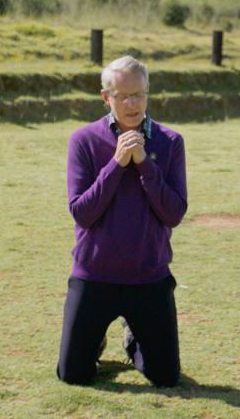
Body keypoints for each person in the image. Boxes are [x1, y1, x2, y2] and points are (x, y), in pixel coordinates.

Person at [56, 55, 188, 387]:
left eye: (139, 94)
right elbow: (82, 213)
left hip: (149, 277)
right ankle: (94, 338)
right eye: (122, 96)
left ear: (148, 93)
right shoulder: (84, 141)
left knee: (165, 378)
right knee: (72, 375)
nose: (132, 103)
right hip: (94, 275)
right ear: (106, 97)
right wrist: (116, 163)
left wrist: (144, 164)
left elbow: (174, 213)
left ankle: (133, 338)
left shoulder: (170, 142)